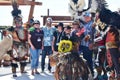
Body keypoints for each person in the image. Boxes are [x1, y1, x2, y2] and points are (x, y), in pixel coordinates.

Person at [79, 12, 95, 76]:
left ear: (90, 17)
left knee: (89, 59)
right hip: (83, 45)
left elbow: (93, 34)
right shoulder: (85, 25)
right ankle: (86, 73)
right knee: (85, 59)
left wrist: (91, 43)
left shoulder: (93, 24)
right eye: (84, 17)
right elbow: (81, 33)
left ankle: (91, 72)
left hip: (89, 45)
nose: (85, 18)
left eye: (86, 17)